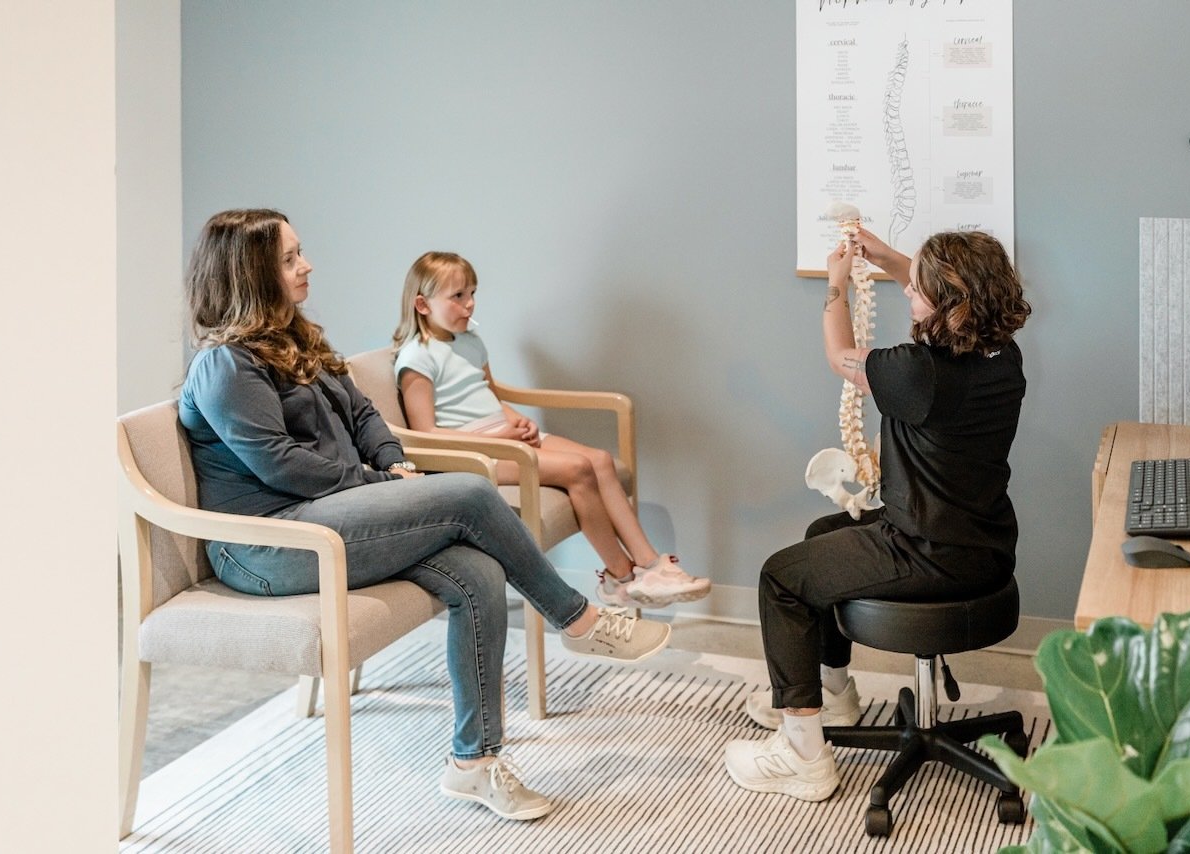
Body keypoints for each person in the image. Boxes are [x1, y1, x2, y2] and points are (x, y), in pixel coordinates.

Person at [178, 209, 673, 822]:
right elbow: (280, 466)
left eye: (300, 253)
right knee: (468, 493)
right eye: (289, 258)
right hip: (269, 545)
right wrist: (379, 478)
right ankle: (579, 619)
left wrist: (395, 465)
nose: (306, 265)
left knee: (479, 573)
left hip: (329, 514)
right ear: (249, 273)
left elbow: (364, 417)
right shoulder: (227, 364)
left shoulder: (298, 339)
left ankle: (474, 763)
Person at [724, 228, 1032, 801]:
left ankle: (802, 756)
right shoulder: (1001, 353)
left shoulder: (918, 371)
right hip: (983, 546)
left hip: (922, 551)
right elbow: (935, 291)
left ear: (948, 304)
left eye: (916, 290)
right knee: (823, 533)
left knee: (780, 578)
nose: (907, 294)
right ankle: (833, 691)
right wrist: (887, 256)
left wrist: (836, 286)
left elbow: (840, 356)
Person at [391, 251, 711, 609]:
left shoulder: (470, 341)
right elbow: (427, 434)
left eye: (472, 293)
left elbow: (489, 396)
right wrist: (500, 438)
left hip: (506, 438)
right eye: (458, 297)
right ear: (422, 304)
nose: (470, 305)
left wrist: (515, 419)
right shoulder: (416, 358)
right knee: (577, 469)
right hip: (475, 455)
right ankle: (620, 580)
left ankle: (651, 566)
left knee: (600, 460)